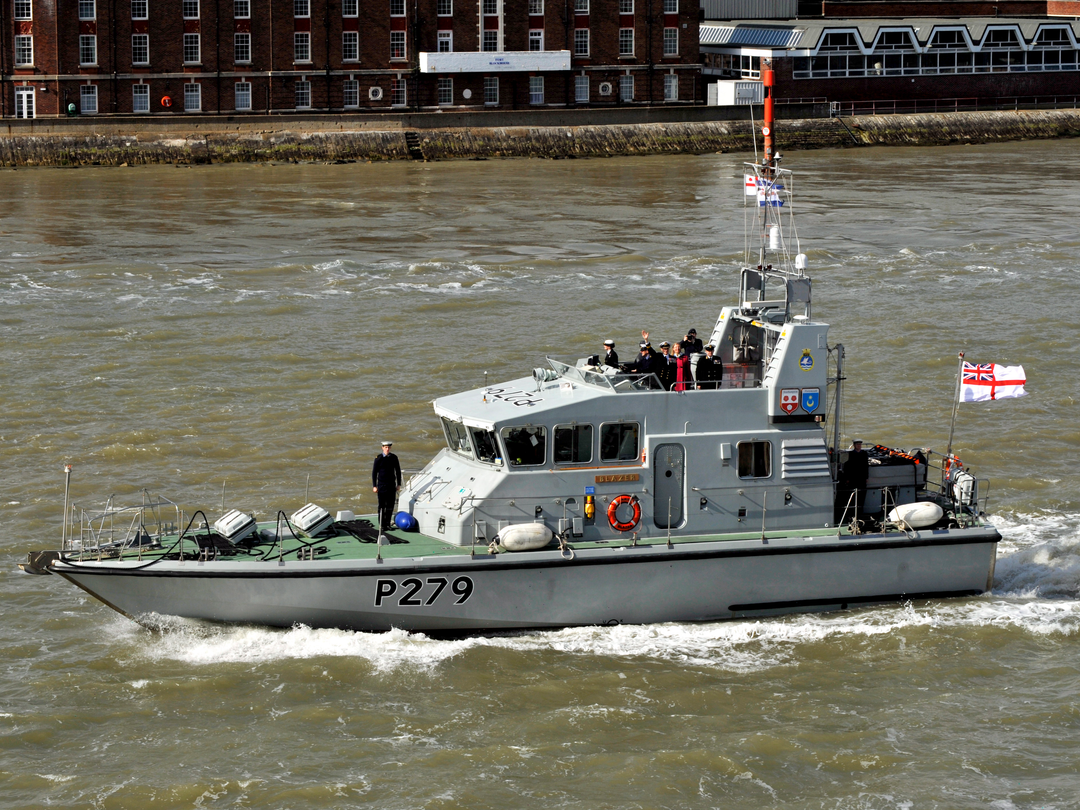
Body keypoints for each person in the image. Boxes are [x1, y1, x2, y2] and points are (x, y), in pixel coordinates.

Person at [372, 440, 402, 533]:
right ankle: (382, 525)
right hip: (382, 485)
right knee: (382, 506)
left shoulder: (394, 458)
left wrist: (399, 484)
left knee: (390, 506)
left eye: (389, 447)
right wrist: (374, 486)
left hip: (391, 485)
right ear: (382, 448)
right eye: (385, 447)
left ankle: (388, 524)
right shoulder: (378, 458)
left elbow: (398, 471)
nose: (387, 449)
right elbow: (374, 473)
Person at [844, 439, 870, 516]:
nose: (859, 446)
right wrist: (847, 478)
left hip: (862, 478)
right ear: (854, 445)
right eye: (858, 444)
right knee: (853, 496)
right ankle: (851, 513)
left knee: (862, 495)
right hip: (853, 478)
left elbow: (866, 466)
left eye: (860, 444)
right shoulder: (850, 454)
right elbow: (847, 467)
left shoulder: (864, 454)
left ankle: (860, 512)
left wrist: (866, 477)